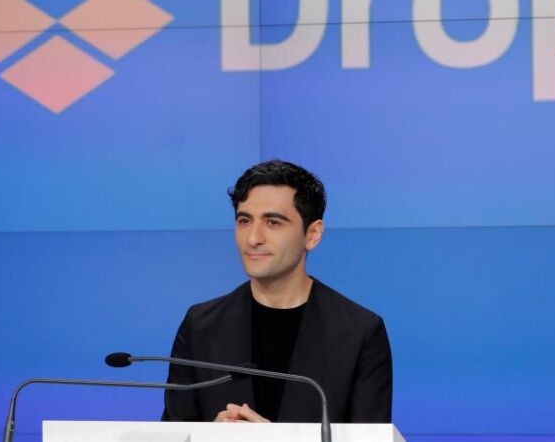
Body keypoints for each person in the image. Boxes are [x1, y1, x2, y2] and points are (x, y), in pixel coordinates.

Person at [161, 160, 392, 423]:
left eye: (273, 222)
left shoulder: (360, 333)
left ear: (312, 234)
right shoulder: (201, 327)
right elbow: (175, 431)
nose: (253, 238)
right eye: (244, 220)